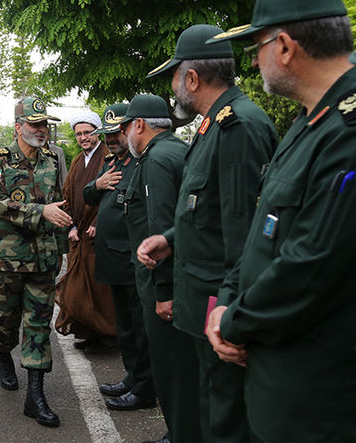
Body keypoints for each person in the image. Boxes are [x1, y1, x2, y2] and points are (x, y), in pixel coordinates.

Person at [174, 0, 356, 441]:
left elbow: (314, 263)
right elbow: (263, 230)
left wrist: (234, 320)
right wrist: (227, 299)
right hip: (284, 384)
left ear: (283, 47)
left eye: (255, 48)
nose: (254, 63)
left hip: (329, 401)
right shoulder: (311, 121)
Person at [141, 24, 278, 441]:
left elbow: (246, 235)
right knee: (210, 412)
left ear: (192, 79)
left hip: (221, 311)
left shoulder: (238, 127)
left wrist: (234, 317)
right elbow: (207, 212)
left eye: (174, 77)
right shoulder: (212, 126)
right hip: (204, 305)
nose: (173, 89)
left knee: (227, 422)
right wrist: (169, 240)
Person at [0, 96, 72, 427]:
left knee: (38, 324)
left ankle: (35, 396)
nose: (41, 130)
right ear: (18, 127)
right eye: (35, 124)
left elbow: (58, 205)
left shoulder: (52, 159)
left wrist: (61, 249)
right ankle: (4, 354)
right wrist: (40, 211)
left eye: (44, 124)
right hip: (8, 259)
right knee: (6, 320)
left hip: (43, 258)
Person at [120, 94, 200, 443]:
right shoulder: (177, 150)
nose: (125, 135)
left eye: (126, 127)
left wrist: (163, 291)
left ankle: (180, 434)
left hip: (164, 284)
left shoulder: (156, 159)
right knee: (182, 368)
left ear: (139, 125)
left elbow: (161, 226)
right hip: (179, 279)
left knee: (172, 370)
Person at [82, 103, 157, 411]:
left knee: (140, 328)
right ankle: (133, 376)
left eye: (116, 133)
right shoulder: (111, 163)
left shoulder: (142, 162)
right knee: (125, 327)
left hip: (133, 260)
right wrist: (97, 184)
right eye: (107, 134)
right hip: (113, 259)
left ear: (129, 129)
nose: (111, 139)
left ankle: (145, 387)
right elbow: (88, 196)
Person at [55, 111, 117, 354]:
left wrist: (100, 222)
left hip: (98, 236)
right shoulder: (77, 161)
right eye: (79, 134)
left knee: (100, 291)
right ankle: (87, 334)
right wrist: (71, 226)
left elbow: (114, 194)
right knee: (78, 289)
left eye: (88, 132)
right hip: (78, 235)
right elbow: (68, 194)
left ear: (97, 132)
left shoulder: (109, 157)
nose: (83, 137)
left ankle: (108, 337)